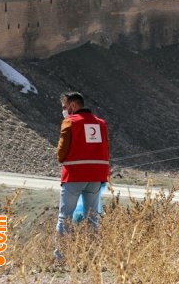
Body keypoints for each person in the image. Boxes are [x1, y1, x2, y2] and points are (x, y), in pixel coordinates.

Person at [55, 92, 110, 251]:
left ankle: (62, 256)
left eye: (65, 107)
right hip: (95, 178)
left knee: (65, 218)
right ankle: (92, 255)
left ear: (73, 106)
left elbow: (61, 153)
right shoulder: (101, 124)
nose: (64, 111)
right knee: (92, 219)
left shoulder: (69, 122)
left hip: (74, 176)